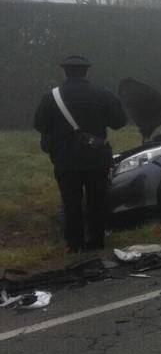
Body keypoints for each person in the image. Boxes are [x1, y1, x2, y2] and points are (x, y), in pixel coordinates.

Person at [34, 55, 127, 252]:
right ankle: (97, 242)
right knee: (97, 202)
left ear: (65, 72)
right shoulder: (103, 94)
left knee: (71, 204)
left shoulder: (51, 97)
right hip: (96, 159)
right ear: (86, 72)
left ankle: (74, 244)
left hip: (65, 160)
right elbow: (119, 122)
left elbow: (39, 125)